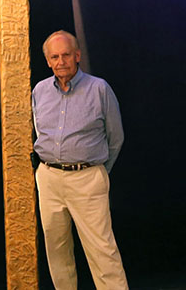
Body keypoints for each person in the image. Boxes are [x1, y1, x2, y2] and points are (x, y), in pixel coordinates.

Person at [32, 30, 128, 290]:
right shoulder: (39, 91)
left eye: (65, 55)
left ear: (77, 56)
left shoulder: (99, 89)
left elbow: (115, 137)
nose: (60, 61)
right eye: (54, 57)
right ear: (48, 61)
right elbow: (40, 133)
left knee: (102, 251)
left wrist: (96, 171)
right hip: (49, 179)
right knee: (57, 250)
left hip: (87, 179)